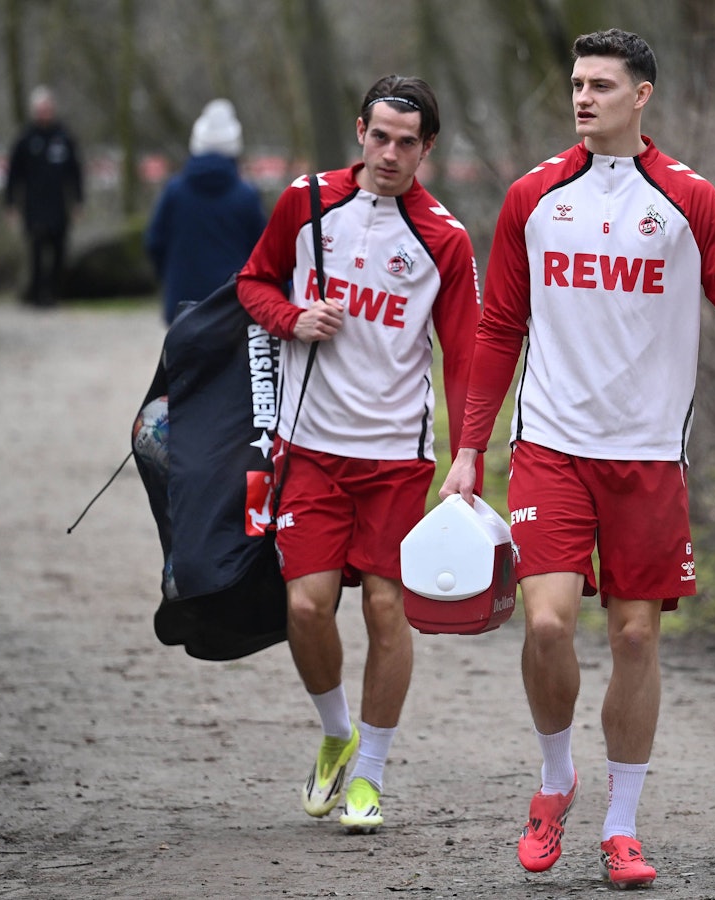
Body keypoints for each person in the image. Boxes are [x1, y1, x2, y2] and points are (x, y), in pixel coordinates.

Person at [438, 29, 715, 889]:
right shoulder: (534, 196)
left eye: (602, 85)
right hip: (550, 447)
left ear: (641, 95)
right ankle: (554, 782)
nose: (583, 98)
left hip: (649, 457)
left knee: (635, 637)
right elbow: (498, 327)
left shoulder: (688, 200)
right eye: (576, 84)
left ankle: (621, 826)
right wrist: (469, 447)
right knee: (545, 623)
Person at [236, 75, 482, 835]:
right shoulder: (306, 204)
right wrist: (292, 315)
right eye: (380, 136)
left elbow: (468, 351)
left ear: (427, 150)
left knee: (384, 606)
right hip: (309, 447)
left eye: (407, 142)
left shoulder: (444, 237)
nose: (390, 153)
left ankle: (370, 773)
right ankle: (337, 731)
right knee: (306, 605)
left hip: (396, 459)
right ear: (359, 132)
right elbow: (252, 282)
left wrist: (467, 452)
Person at [146, 99, 266, 324]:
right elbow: (263, 253)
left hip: (181, 300)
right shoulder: (246, 195)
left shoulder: (175, 191)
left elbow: (155, 241)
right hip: (232, 302)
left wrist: (170, 276)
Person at [5, 85, 85, 307]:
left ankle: (54, 293)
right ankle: (37, 294)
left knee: (59, 251)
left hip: (59, 206)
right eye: (40, 109)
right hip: (34, 206)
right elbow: (13, 174)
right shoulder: (25, 139)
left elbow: (75, 172)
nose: (44, 114)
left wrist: (78, 201)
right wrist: (10, 203)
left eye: (47, 109)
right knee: (37, 252)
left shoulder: (64, 136)